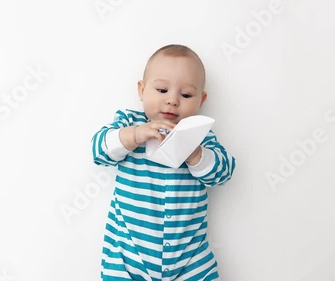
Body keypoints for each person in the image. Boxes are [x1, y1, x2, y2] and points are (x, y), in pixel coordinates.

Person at [91, 44, 236, 281]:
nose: (172, 101)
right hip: (129, 258)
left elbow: (224, 172)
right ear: (142, 90)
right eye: (161, 90)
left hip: (190, 260)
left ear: (201, 99)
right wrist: (135, 134)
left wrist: (196, 155)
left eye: (186, 95)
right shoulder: (129, 122)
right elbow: (99, 150)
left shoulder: (199, 135)